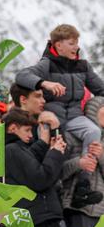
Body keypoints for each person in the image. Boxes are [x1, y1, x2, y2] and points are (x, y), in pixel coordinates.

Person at [4, 108, 66, 227]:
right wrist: (55, 153)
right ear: (13, 128)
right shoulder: (12, 149)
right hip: (38, 222)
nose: (31, 136)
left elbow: (33, 157)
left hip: (37, 220)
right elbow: (40, 177)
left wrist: (48, 139)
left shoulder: (18, 149)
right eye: (27, 131)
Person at [15, 24, 104, 153]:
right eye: (72, 43)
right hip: (52, 118)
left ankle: (86, 168)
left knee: (94, 131)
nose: (77, 47)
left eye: (77, 43)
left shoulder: (83, 66)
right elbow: (22, 76)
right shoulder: (47, 64)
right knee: (47, 143)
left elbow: (100, 89)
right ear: (58, 45)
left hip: (75, 118)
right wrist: (44, 83)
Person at [63, 96, 104, 227]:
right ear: (93, 111)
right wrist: (79, 163)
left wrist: (101, 156)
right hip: (78, 208)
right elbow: (59, 170)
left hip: (100, 211)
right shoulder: (74, 135)